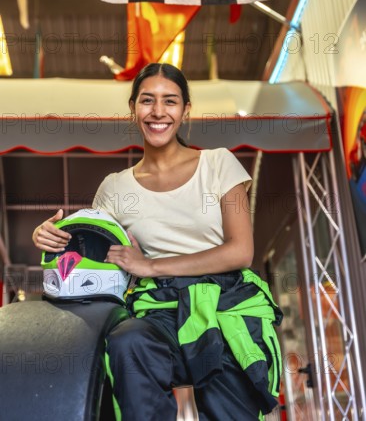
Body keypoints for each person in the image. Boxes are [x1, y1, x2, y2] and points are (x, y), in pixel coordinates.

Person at [32, 63, 282, 421]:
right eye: (147, 100)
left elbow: (240, 251)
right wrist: (49, 238)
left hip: (226, 303)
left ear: (186, 110)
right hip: (156, 309)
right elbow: (93, 248)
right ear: (134, 108)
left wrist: (150, 265)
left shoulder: (218, 164)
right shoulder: (115, 187)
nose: (159, 112)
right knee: (127, 341)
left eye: (170, 101)